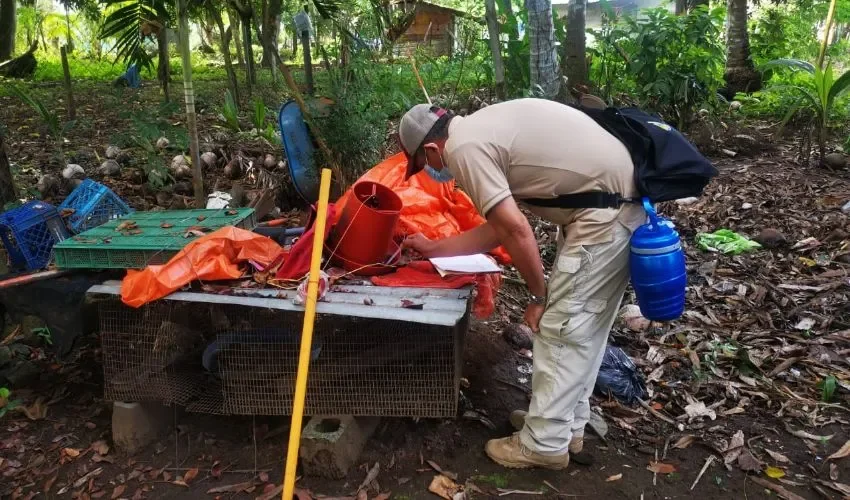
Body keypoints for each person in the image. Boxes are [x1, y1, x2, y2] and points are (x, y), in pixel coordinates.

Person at [397, 98, 646, 470]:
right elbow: (498, 229)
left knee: (560, 329)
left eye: (422, 164)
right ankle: (565, 426)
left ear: (432, 148)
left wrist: (538, 295)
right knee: (584, 331)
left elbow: (515, 229)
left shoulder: (464, 149)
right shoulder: (482, 127)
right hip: (611, 208)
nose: (429, 171)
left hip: (604, 217)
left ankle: (544, 443)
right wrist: (433, 248)